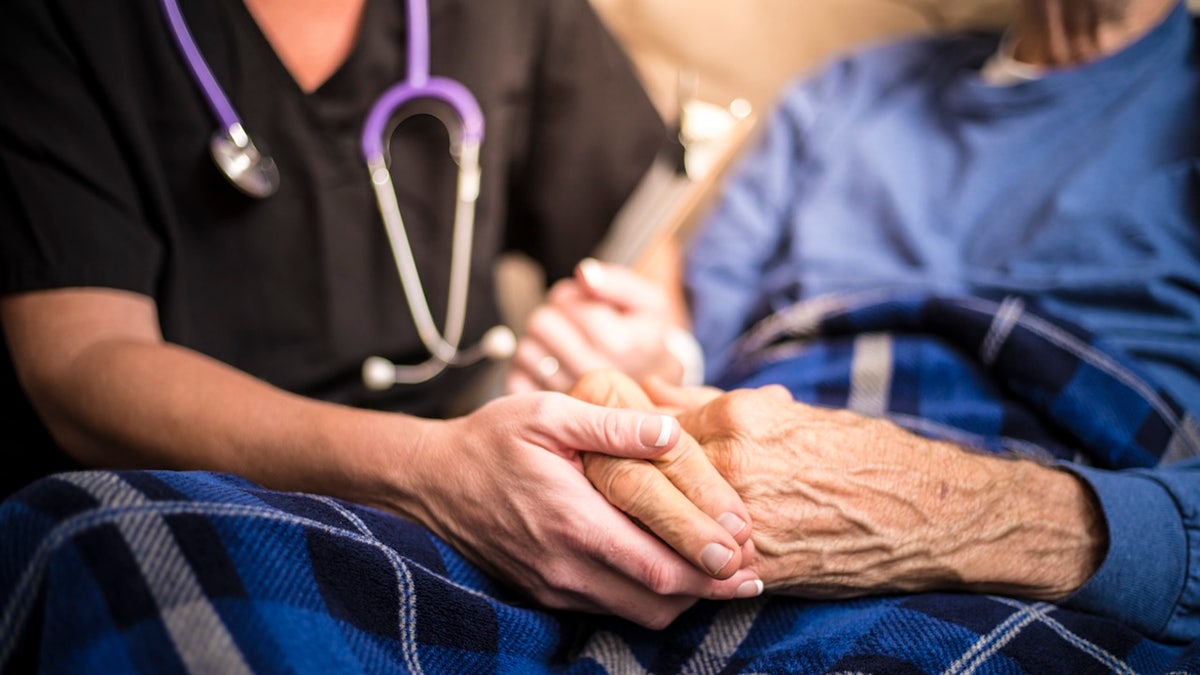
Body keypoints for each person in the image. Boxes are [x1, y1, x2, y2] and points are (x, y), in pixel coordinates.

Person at [0, 0, 766, 635]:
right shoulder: (60, 25)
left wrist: (649, 346)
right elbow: (80, 360)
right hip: (197, 501)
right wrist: (432, 473)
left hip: (496, 489)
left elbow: (639, 244)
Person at [522, 0, 1200, 650]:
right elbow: (703, 339)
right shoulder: (845, 90)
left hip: (1068, 491)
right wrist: (652, 358)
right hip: (756, 452)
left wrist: (953, 513)